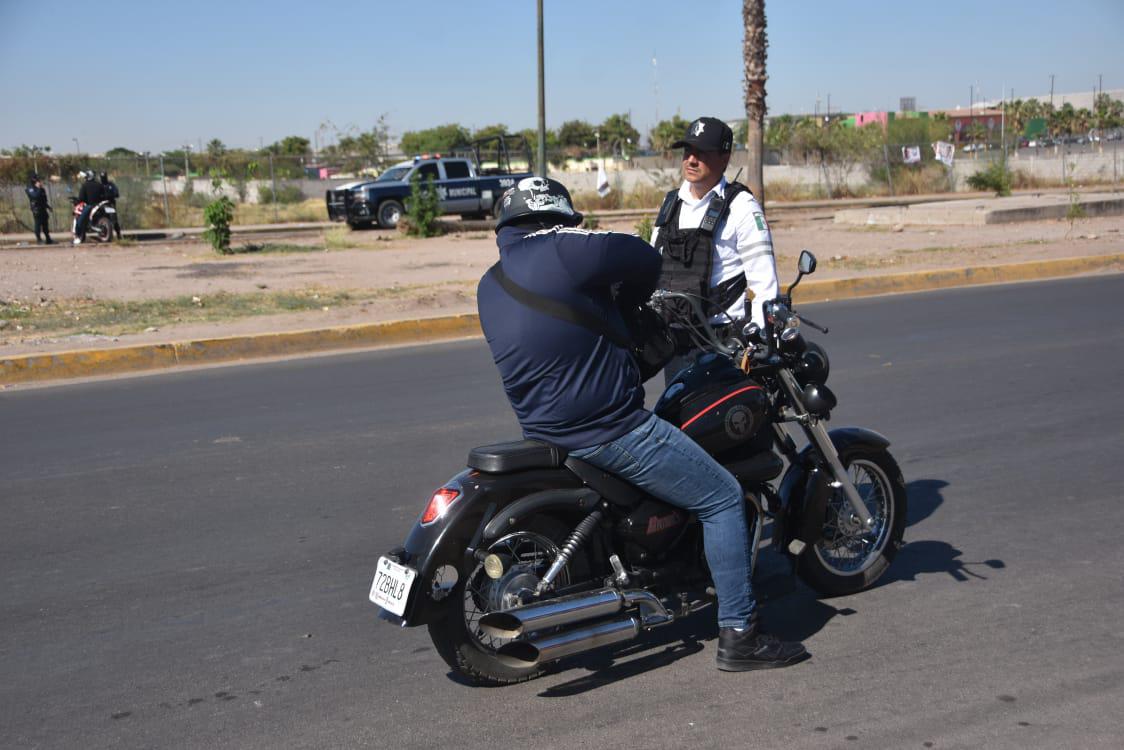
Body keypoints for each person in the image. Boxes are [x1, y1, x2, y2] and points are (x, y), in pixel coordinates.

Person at [476, 176, 807, 672]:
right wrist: (628, 303)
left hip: (546, 430)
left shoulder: (491, 283)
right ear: (553, 217)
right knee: (721, 496)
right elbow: (644, 258)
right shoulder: (565, 250)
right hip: (609, 429)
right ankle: (741, 634)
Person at [651, 116, 779, 384]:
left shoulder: (742, 207)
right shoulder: (671, 203)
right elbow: (655, 264)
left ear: (724, 158)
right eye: (688, 151)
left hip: (723, 346)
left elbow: (764, 285)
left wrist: (755, 343)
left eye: (702, 153)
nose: (691, 160)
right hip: (677, 345)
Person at [74, 169, 104, 245]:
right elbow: (103, 195)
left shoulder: (85, 185)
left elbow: (81, 198)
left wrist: (77, 201)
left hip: (90, 206)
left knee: (79, 220)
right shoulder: (99, 184)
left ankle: (78, 235)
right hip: (99, 205)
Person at [25, 175, 54, 244]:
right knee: (38, 224)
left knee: (45, 224)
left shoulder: (41, 189)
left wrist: (48, 207)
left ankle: (48, 239)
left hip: (43, 208)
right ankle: (39, 239)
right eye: (38, 181)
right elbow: (35, 197)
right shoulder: (30, 189)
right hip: (36, 209)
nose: (40, 182)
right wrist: (39, 189)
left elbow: (44, 200)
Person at [100, 171, 122, 239]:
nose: (103, 178)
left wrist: (111, 195)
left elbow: (116, 193)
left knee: (114, 219)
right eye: (102, 177)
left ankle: (118, 234)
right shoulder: (99, 185)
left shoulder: (111, 185)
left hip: (110, 204)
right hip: (101, 204)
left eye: (104, 177)